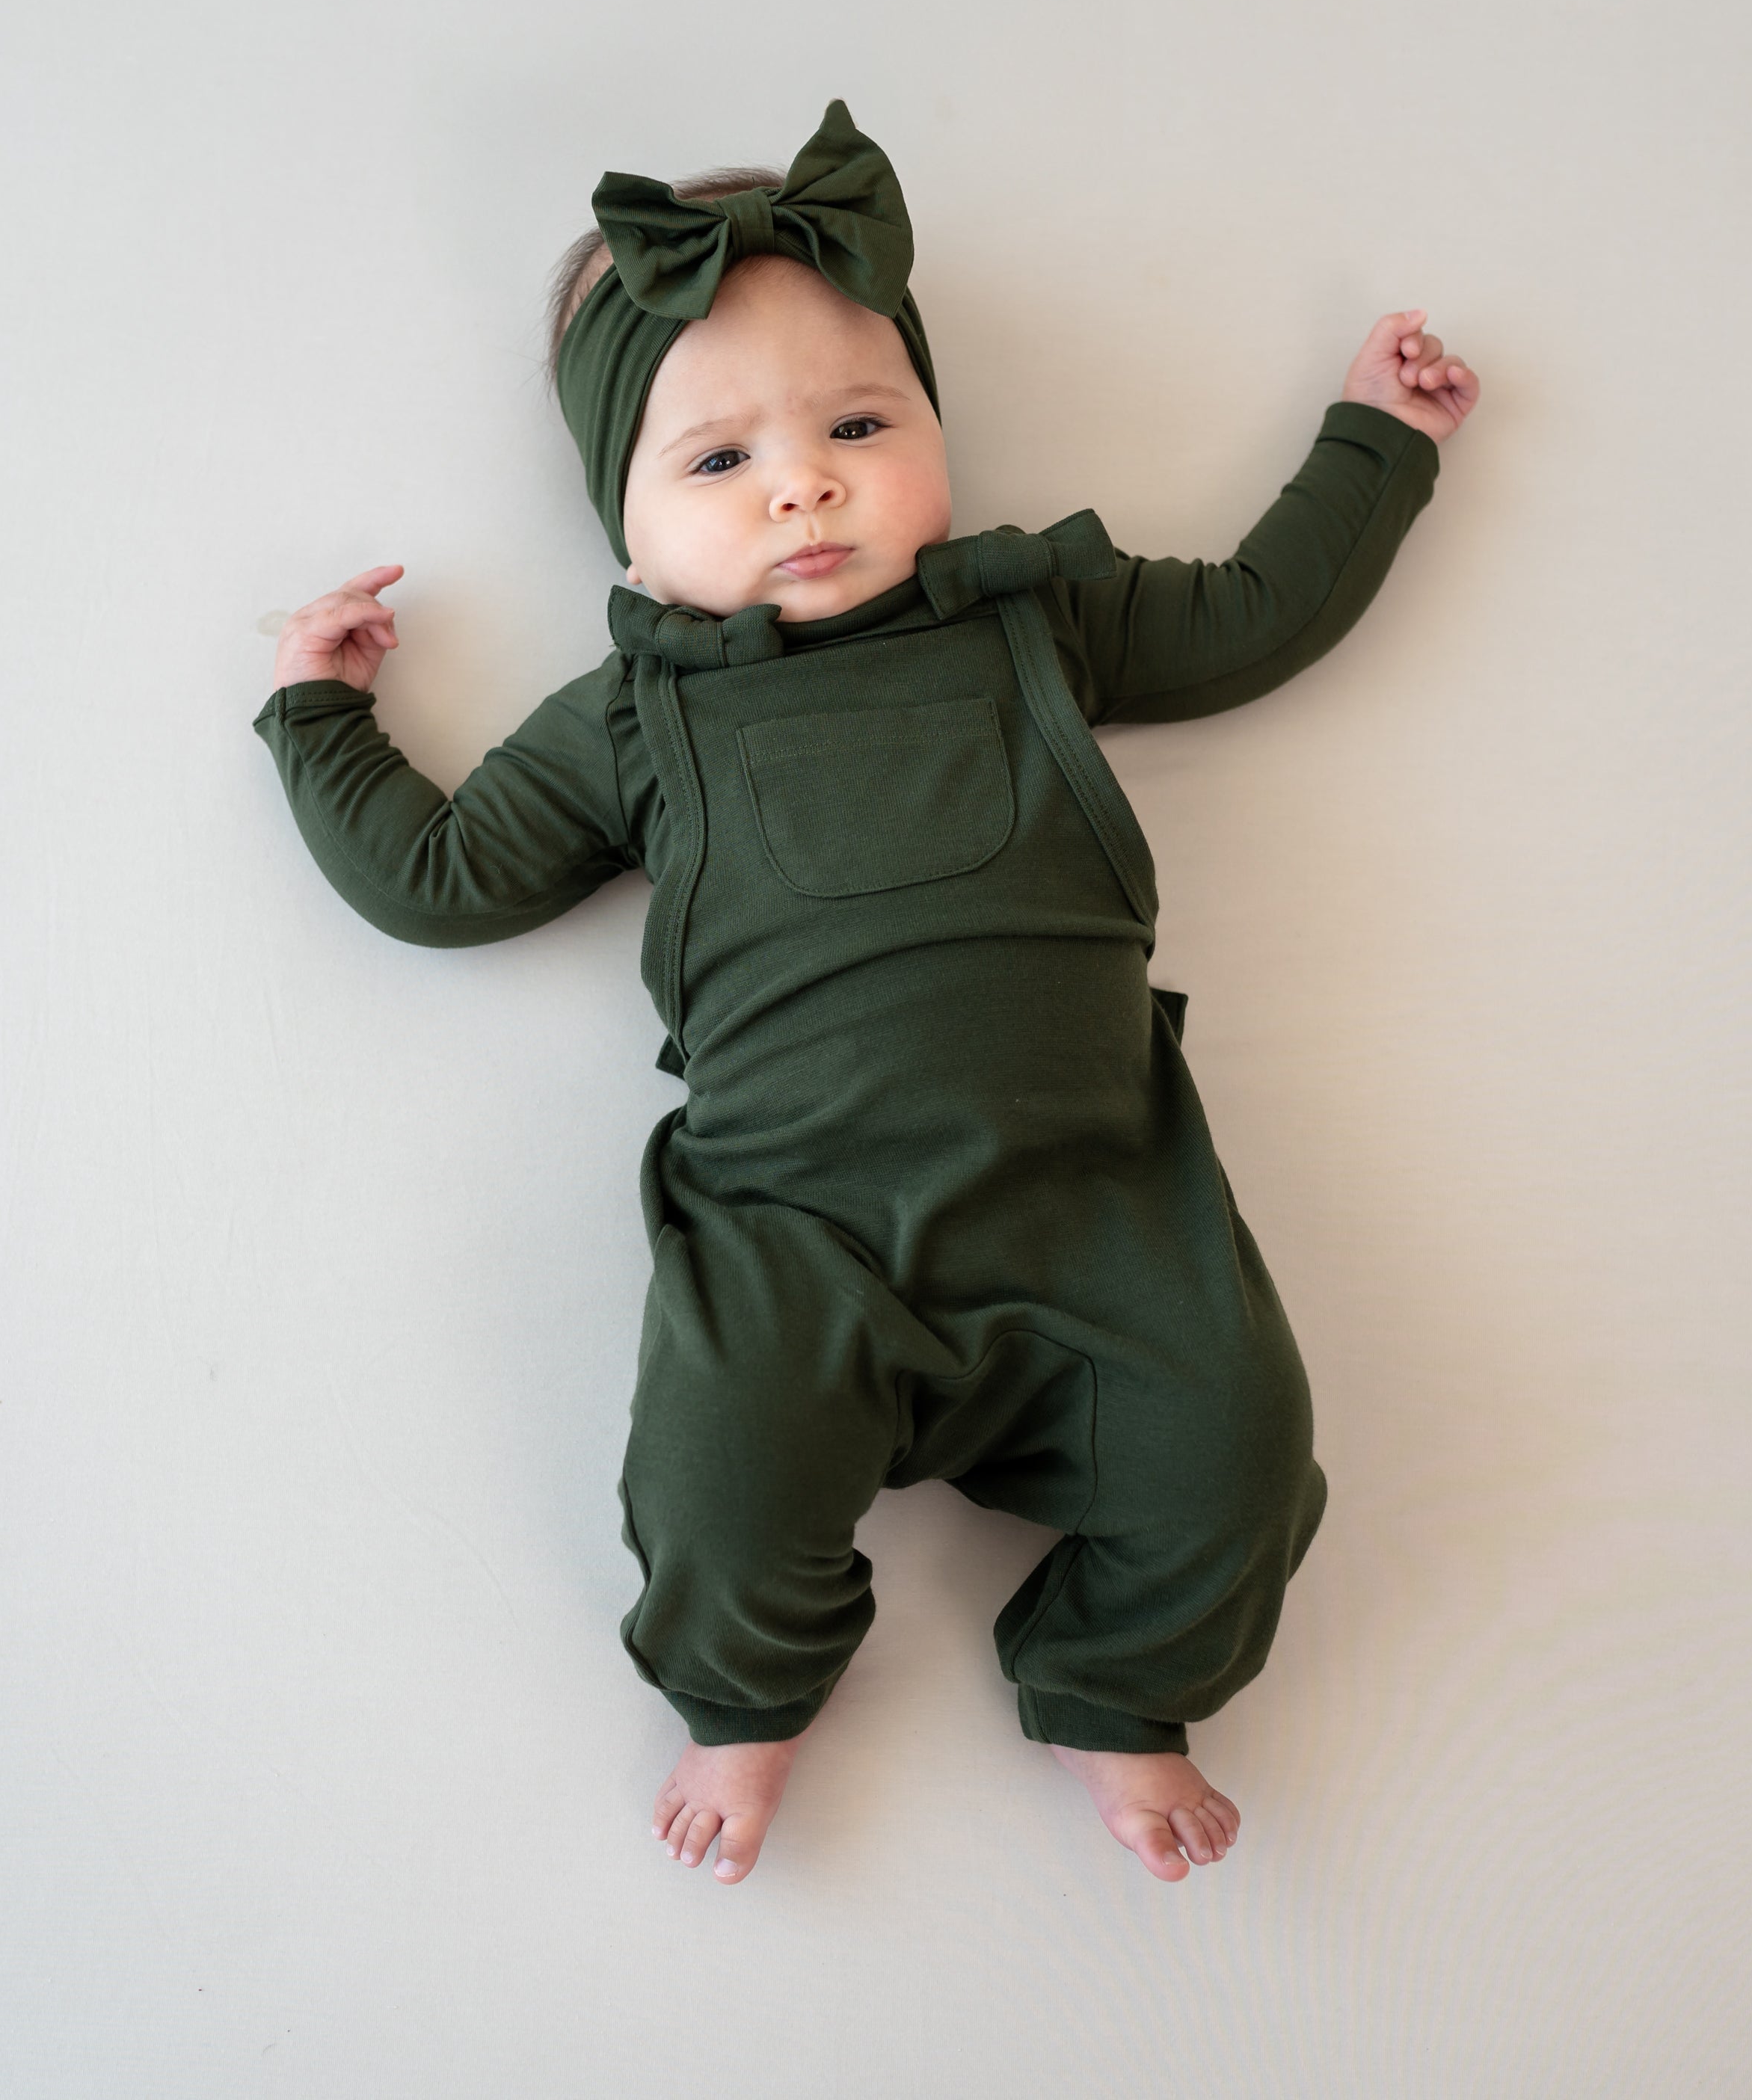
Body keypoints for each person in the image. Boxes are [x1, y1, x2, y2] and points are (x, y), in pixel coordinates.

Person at [254, 101, 1479, 1885]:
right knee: (717, 1478)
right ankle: (745, 1695)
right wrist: (322, 718)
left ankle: (1121, 1685)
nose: (803, 485)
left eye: (856, 425)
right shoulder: (637, 717)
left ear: (930, 427)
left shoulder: (1034, 620)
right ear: (625, 530)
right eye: (718, 460)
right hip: (794, 1240)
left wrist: (1376, 439)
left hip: (1101, 1214)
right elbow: (441, 884)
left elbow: (1252, 617)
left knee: (1236, 1452)